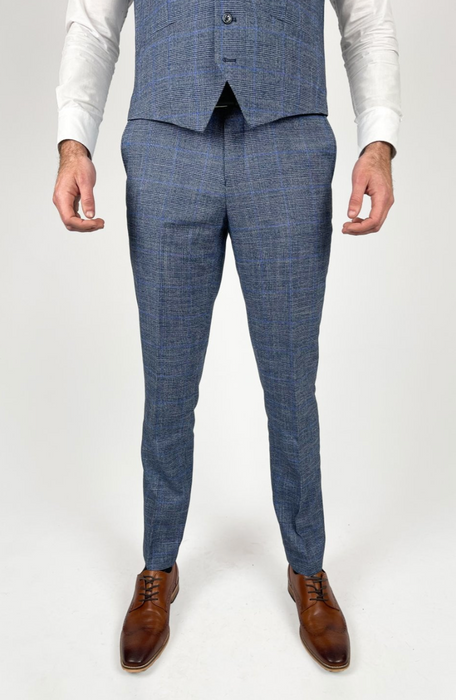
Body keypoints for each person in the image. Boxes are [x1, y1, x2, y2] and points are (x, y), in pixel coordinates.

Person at [52, 0, 402, 674]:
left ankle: (307, 567)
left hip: (289, 145)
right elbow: (93, 23)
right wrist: (74, 143)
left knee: (291, 384)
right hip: (165, 143)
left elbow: (367, 20)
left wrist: (378, 142)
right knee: (168, 383)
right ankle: (158, 565)